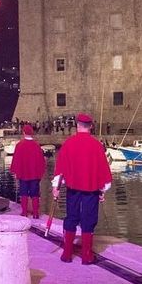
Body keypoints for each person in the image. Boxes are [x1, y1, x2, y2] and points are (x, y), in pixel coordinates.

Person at [52, 113, 112, 265]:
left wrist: (55, 187)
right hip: (91, 190)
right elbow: (103, 170)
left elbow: (60, 168)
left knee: (71, 217)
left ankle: (67, 253)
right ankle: (86, 256)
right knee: (89, 220)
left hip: (73, 189)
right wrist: (103, 190)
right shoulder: (97, 145)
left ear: (77, 126)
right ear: (90, 127)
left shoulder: (68, 143)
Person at [10, 124, 46, 219]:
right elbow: (41, 161)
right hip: (35, 174)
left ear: (24, 133)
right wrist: (41, 173)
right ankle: (35, 213)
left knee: (24, 193)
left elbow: (16, 160)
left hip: (23, 174)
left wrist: (15, 172)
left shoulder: (19, 145)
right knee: (35, 194)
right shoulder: (37, 145)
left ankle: (24, 212)